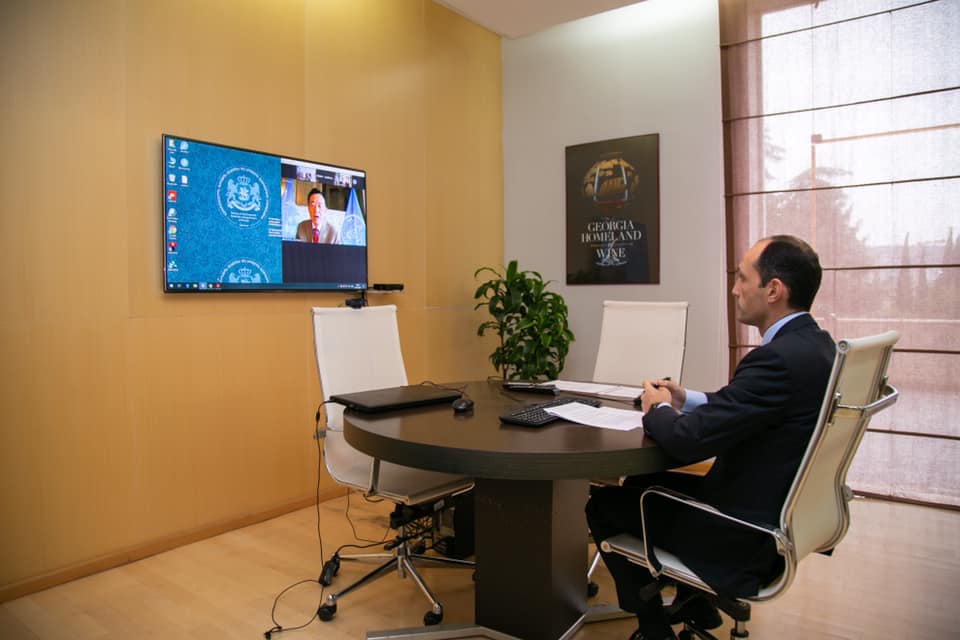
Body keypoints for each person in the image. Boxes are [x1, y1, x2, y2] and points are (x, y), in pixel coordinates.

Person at [585, 235, 836, 640]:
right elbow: (745, 405)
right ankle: (697, 603)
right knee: (642, 483)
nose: (734, 289)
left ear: (773, 290)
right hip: (775, 515)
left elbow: (687, 441)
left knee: (603, 505)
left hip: (741, 534)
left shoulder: (775, 360)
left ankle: (654, 629)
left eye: (742, 278)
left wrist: (657, 408)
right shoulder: (817, 347)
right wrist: (685, 398)